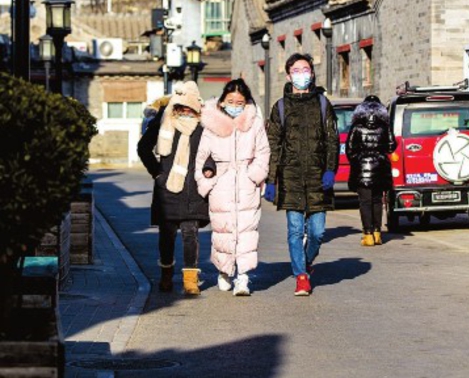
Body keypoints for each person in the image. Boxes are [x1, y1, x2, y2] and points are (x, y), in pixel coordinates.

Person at [265, 53, 339, 296]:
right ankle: (301, 276)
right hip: (291, 177)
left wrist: (330, 169)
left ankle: (307, 261)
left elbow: (332, 140)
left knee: (318, 232)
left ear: (312, 73)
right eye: (296, 70)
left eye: (305, 69)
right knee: (295, 230)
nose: (301, 74)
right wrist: (271, 180)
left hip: (318, 177)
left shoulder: (323, 104)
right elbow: (273, 145)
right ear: (288, 75)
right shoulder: (281, 107)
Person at [195, 79, 270, 296]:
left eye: (239, 102)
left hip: (247, 184)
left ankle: (243, 278)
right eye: (230, 101)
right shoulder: (212, 125)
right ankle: (224, 270)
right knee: (223, 230)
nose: (235, 105)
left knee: (247, 231)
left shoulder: (254, 122)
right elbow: (201, 158)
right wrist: (207, 183)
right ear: (222, 102)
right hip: (221, 183)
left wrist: (254, 175)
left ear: (246, 102)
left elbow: (263, 151)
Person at [137, 81, 211, 295]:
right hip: (167, 188)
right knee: (166, 236)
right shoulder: (164, 120)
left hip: (193, 188)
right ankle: (166, 275)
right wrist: (157, 173)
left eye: (190, 107)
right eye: (181, 107)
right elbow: (143, 148)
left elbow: (212, 153)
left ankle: (190, 280)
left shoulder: (205, 125)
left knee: (190, 234)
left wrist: (208, 170)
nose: (185, 111)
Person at [346, 95, 396, 246]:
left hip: (362, 168)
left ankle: (367, 234)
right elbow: (391, 146)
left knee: (365, 202)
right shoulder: (384, 126)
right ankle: (377, 233)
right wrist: (379, 154)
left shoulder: (357, 126)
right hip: (380, 168)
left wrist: (358, 159)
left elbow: (349, 149)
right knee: (377, 201)